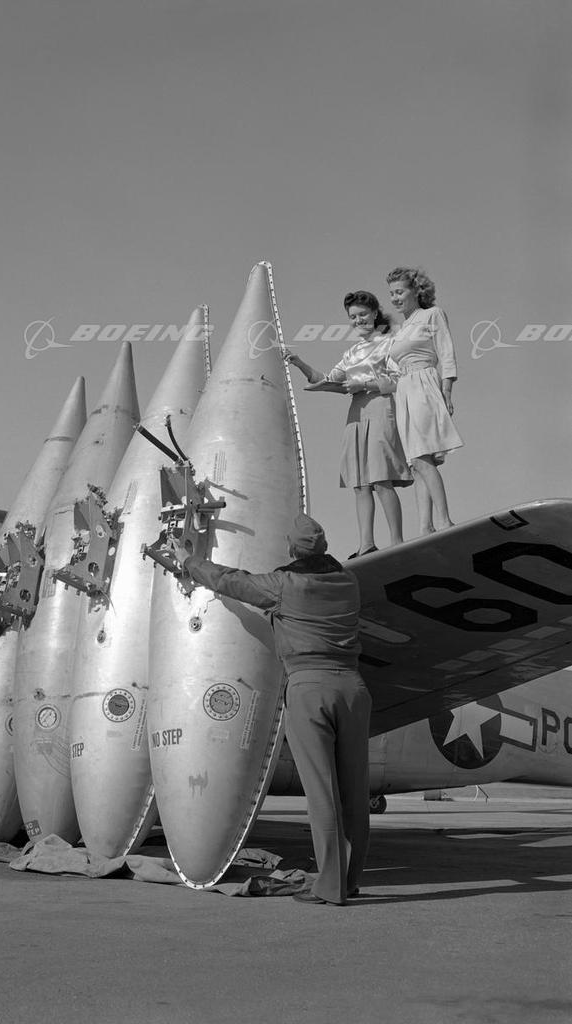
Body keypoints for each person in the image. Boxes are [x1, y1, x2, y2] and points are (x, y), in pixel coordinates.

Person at [177, 512, 372, 907]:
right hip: (353, 688)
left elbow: (233, 581)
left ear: (291, 548)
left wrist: (189, 562)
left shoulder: (285, 585)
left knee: (322, 792)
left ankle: (330, 888)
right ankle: (350, 881)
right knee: (354, 793)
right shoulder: (349, 582)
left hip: (309, 687)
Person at [286, 291, 411, 558]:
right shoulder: (352, 352)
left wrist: (364, 384)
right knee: (360, 482)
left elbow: (399, 380)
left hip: (381, 406)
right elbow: (327, 378)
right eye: (353, 317)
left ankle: (397, 541)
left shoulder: (390, 343)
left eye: (362, 314)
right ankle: (366, 544)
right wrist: (299, 363)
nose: (358, 320)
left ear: (375, 313)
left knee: (381, 478)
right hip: (356, 412)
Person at [386, 267, 463, 534]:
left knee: (422, 457)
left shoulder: (432, 314)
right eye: (392, 294)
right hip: (404, 390)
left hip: (424, 383)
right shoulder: (401, 329)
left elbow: (447, 352)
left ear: (416, 291)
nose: (395, 298)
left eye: (399, 292)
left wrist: (447, 391)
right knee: (416, 463)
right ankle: (424, 527)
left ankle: (444, 520)